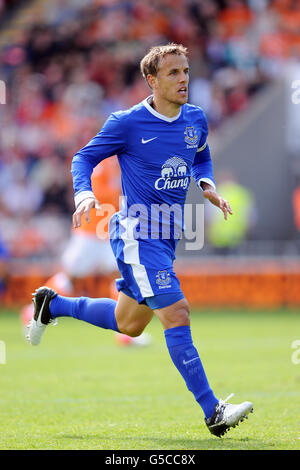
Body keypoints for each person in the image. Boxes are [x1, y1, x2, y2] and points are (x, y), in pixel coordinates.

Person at [27, 43, 253, 437]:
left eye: (185, 71)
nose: (183, 79)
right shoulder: (127, 123)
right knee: (177, 312)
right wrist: (85, 193)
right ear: (152, 80)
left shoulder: (195, 118)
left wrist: (207, 184)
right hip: (136, 232)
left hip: (166, 237)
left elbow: (200, 154)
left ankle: (53, 305)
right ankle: (213, 410)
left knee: (127, 323)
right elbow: (83, 157)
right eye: (173, 73)